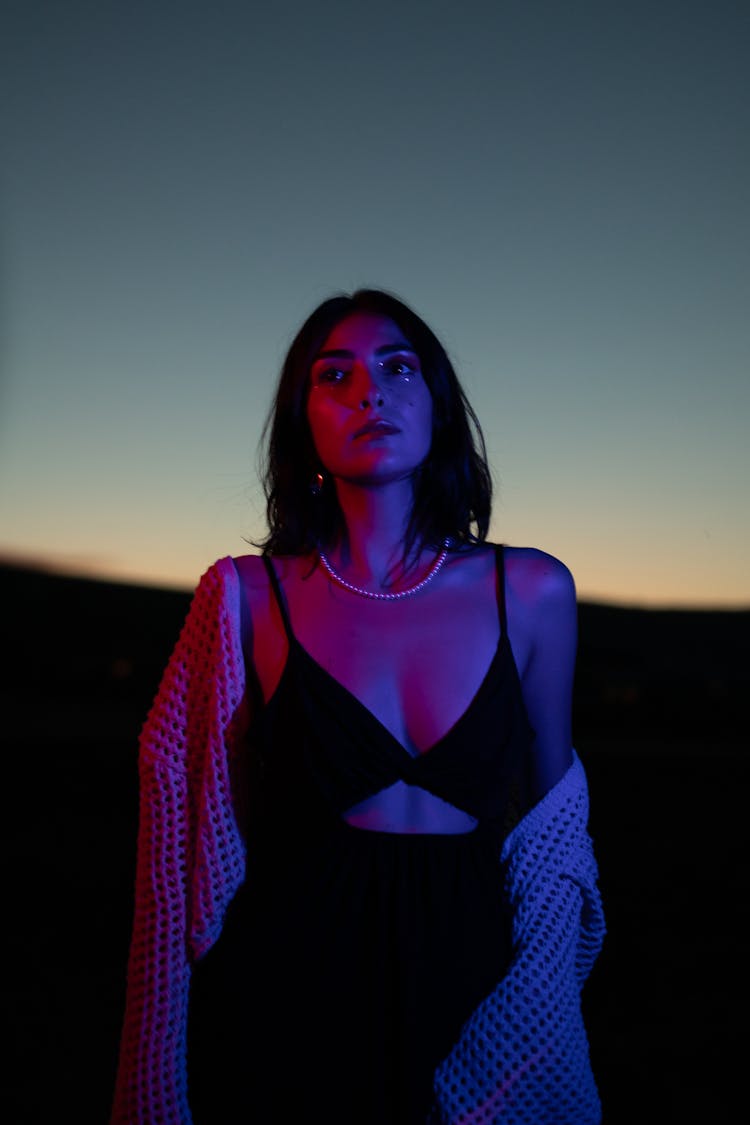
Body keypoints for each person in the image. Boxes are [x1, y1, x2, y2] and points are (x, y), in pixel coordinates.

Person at [111, 289, 605, 1124]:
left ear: (437, 404)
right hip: (290, 977)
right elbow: (192, 824)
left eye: (397, 367)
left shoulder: (529, 589)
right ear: (301, 422)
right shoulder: (244, 597)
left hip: (475, 971)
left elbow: (553, 828)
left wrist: (544, 990)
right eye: (332, 375)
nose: (368, 392)